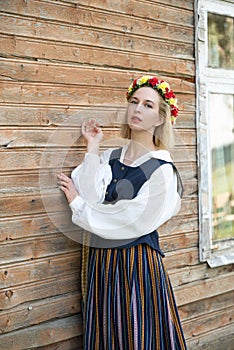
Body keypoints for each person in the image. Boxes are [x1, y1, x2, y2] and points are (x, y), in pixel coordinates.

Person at [57, 75, 187, 349]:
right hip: (102, 262)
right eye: (134, 102)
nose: (137, 109)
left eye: (148, 105)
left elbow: (127, 221)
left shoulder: (162, 170)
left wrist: (79, 205)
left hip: (135, 264)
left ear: (161, 119)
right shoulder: (113, 156)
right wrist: (93, 145)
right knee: (108, 333)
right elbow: (91, 193)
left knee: (136, 333)